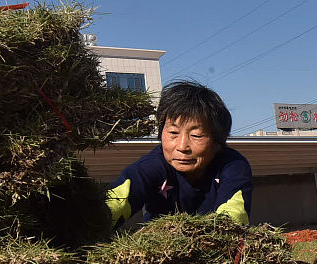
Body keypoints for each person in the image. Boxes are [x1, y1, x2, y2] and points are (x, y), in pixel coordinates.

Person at [105, 80, 252, 227]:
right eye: (173, 132)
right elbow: (114, 204)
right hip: (159, 248)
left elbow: (233, 218)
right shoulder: (151, 166)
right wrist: (96, 220)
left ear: (218, 142)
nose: (182, 146)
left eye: (196, 135)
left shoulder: (233, 166)